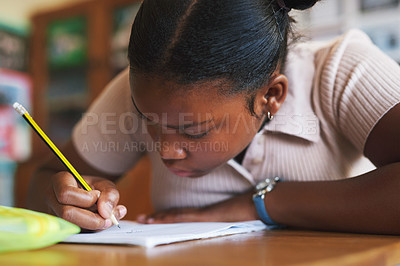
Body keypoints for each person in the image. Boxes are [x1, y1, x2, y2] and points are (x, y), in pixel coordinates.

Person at [28, 0, 400, 234]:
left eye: (193, 131)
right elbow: (43, 178)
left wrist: (264, 203)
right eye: (148, 121)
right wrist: (64, 196)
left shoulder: (340, 70)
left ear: (271, 95)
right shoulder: (142, 89)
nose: (166, 151)